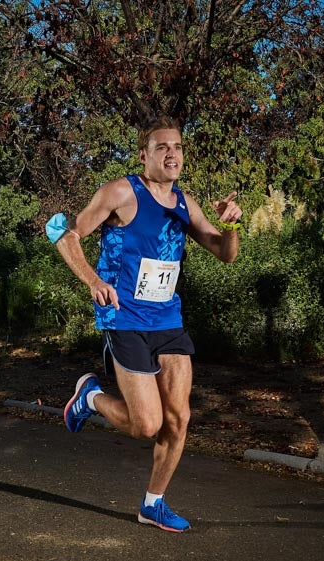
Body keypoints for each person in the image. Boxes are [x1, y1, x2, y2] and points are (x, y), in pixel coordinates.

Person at [50, 115, 242, 532]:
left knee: (179, 419)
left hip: (167, 319)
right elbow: (67, 235)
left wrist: (230, 225)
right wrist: (94, 280)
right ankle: (90, 398)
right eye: (161, 147)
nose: (171, 153)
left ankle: (153, 503)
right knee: (147, 424)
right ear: (144, 155)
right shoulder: (121, 192)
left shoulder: (185, 203)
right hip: (125, 319)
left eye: (176, 147)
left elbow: (225, 254)